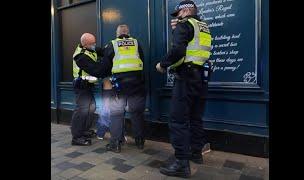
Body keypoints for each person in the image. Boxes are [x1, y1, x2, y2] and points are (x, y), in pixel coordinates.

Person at [155, 0, 212, 178]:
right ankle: (196, 152)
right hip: (201, 77)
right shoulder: (203, 26)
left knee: (178, 119)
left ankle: (181, 163)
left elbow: (179, 51)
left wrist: (162, 64)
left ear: (185, 10)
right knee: (195, 117)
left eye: (178, 14)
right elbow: (193, 50)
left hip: (186, 77)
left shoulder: (185, 24)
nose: (176, 18)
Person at [101, 24, 146, 153]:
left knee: (116, 113)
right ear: (128, 33)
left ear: (117, 33)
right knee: (137, 112)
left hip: (119, 85)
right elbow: (142, 61)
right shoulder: (136, 43)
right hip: (137, 83)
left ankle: (116, 143)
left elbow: (105, 66)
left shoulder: (113, 44)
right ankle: (140, 141)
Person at [71, 33, 106, 146]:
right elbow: (95, 70)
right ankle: (76, 137)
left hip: (88, 86)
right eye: (92, 44)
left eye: (94, 42)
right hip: (81, 86)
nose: (94, 45)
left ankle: (84, 130)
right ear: (85, 44)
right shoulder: (80, 57)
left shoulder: (91, 49)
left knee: (91, 107)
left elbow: (103, 51)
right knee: (82, 110)